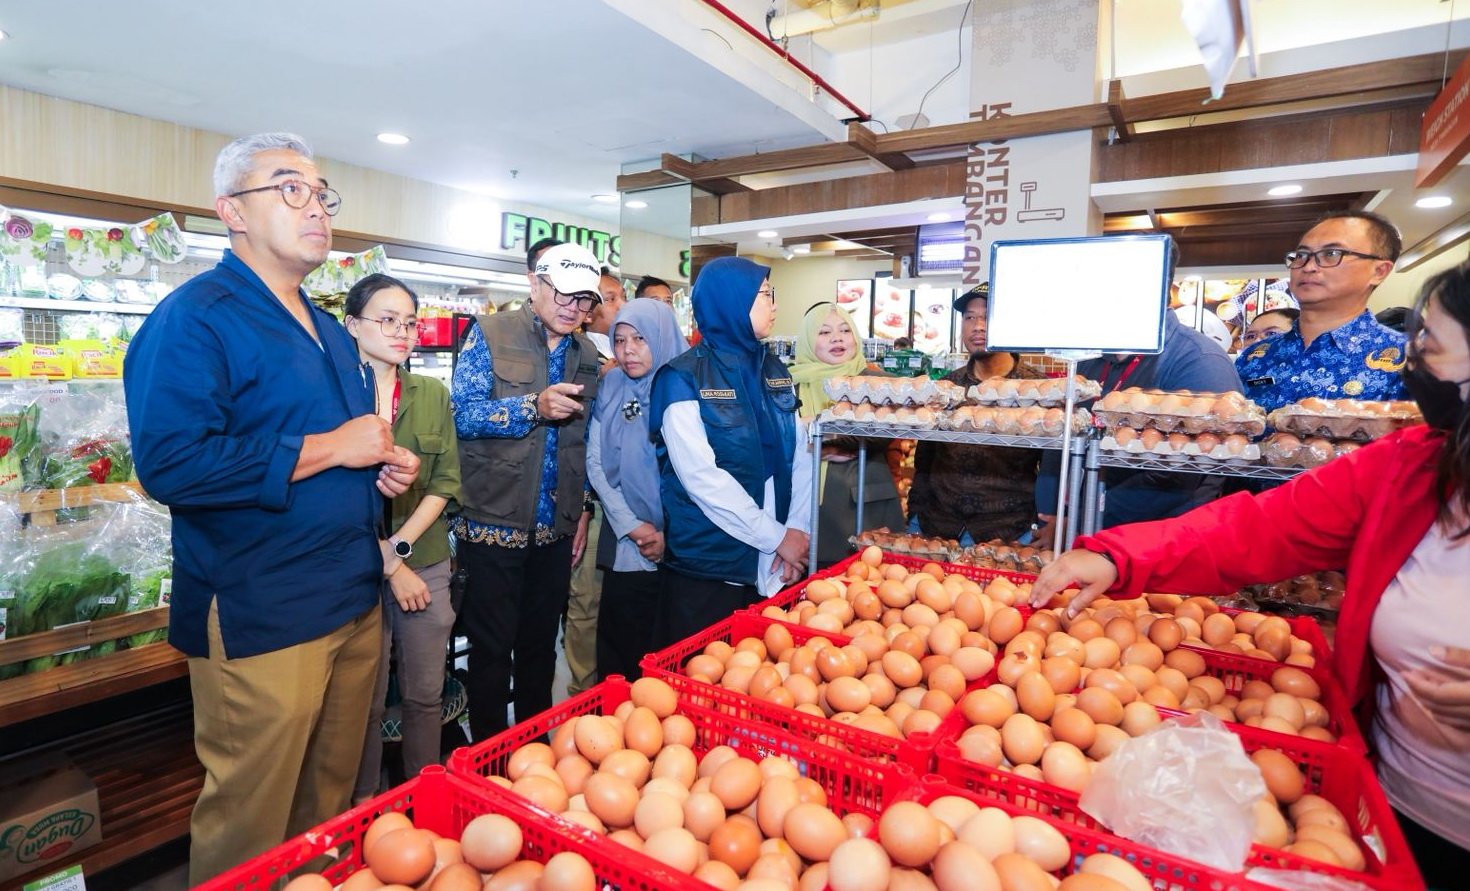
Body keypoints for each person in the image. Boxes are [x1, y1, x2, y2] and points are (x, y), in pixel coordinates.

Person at [1027, 262, 1470, 889]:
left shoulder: (1191, 356)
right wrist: (1119, 556)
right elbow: (1258, 530)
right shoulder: (1412, 467)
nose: (1414, 361)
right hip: (1394, 805)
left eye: (1432, 344)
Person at [123, 132, 419, 883]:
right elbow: (171, 462)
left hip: (351, 597)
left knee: (325, 808)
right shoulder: (194, 318)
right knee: (250, 817)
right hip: (264, 607)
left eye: (322, 192)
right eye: (291, 188)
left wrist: (380, 466)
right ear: (233, 212)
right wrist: (333, 448)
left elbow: (348, 447)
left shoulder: (325, 329)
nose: (315, 205)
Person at [452, 242, 602, 739]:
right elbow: (464, 416)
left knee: (541, 647)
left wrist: (580, 507)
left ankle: (535, 752)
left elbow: (580, 441)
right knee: (491, 651)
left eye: (584, 301)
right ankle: (489, 756)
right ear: (535, 284)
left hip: (556, 528)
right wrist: (530, 407)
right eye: (564, 294)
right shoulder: (490, 334)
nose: (573, 309)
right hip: (493, 520)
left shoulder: (585, 351)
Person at [649, 257, 813, 644]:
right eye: (764, 294)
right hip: (709, 568)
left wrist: (797, 534)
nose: (773, 305)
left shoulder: (775, 369)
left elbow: (799, 457)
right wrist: (778, 538)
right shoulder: (681, 378)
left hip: (772, 567)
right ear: (731, 300)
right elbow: (702, 480)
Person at [346, 274, 461, 802]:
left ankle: (424, 795)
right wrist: (387, 565)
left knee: (423, 693)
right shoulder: (335, 398)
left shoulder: (433, 393)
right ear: (353, 325)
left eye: (409, 322)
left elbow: (445, 484)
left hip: (426, 560)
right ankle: (364, 807)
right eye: (386, 320)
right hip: (353, 565)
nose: (401, 331)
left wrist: (398, 552)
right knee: (361, 704)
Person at [1037, 252, 1245, 530]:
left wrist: (1085, 518)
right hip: (1089, 528)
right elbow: (1064, 436)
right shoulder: (1090, 359)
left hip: (1161, 537)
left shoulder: (1199, 361)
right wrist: (1056, 510)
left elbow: (1177, 474)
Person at [588, 299, 689, 680]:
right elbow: (596, 462)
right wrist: (633, 526)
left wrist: (669, 534)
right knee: (620, 658)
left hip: (681, 549)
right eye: (620, 340)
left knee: (669, 664)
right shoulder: (611, 385)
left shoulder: (686, 387)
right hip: (628, 545)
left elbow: (698, 477)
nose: (628, 350)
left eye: (640, 339)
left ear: (662, 338)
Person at [908, 283, 1048, 544]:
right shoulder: (947, 388)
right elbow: (924, 461)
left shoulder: (1035, 391)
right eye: (969, 317)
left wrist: (1050, 521)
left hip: (1009, 532)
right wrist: (914, 517)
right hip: (939, 529)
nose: (978, 326)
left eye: (988, 317)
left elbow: (1054, 466)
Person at [1237, 210, 1408, 411]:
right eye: (1301, 256)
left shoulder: (1410, 358)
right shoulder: (1255, 356)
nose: (1308, 267)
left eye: (1331, 254)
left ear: (1379, 271)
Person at [789, 302, 905, 565]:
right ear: (807, 340)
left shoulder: (876, 382)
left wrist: (820, 435)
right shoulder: (789, 384)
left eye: (845, 330)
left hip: (864, 507)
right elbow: (778, 435)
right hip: (803, 507)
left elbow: (883, 430)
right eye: (824, 332)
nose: (837, 338)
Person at [560, 267, 625, 697]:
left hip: (628, 511)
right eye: (605, 298)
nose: (614, 307)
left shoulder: (629, 363)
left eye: (619, 297)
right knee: (584, 604)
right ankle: (583, 699)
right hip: (588, 502)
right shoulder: (580, 361)